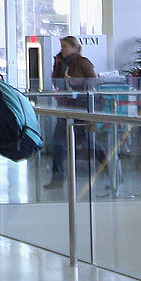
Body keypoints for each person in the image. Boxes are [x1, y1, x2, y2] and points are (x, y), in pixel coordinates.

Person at [45, 35, 105, 189]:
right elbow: (55, 81)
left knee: (90, 142)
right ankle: (57, 178)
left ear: (74, 48)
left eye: (65, 47)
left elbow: (94, 81)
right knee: (58, 142)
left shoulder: (82, 62)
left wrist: (74, 81)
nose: (62, 50)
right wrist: (56, 65)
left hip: (81, 108)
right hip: (65, 107)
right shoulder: (61, 63)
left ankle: (111, 170)